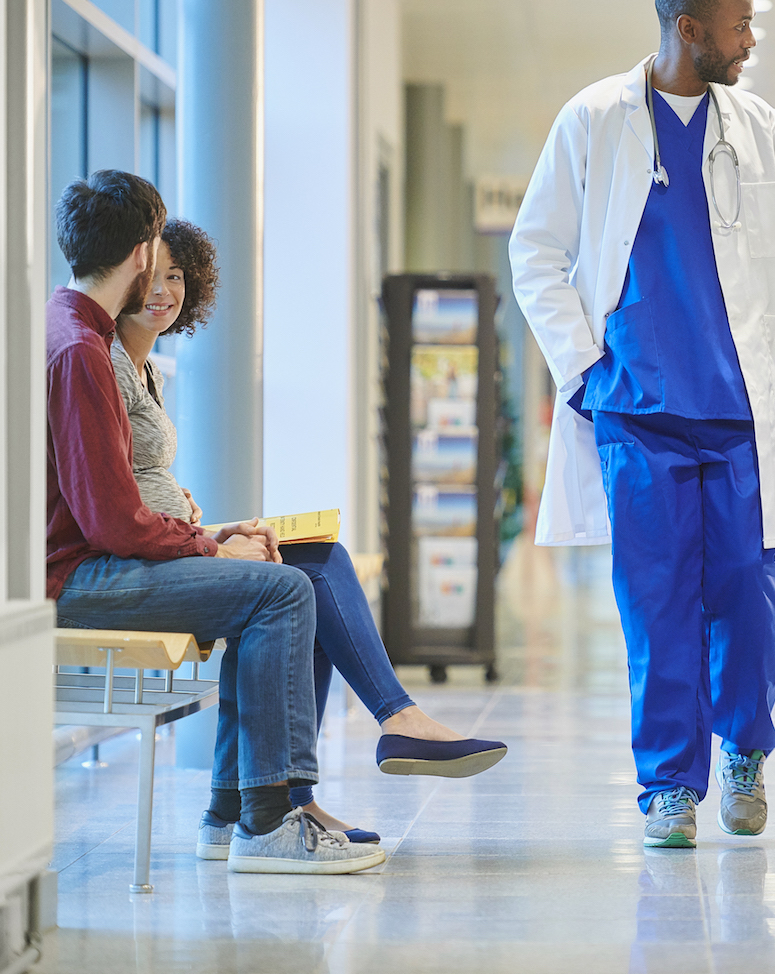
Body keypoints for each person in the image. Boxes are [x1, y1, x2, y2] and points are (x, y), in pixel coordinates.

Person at [509, 0, 775, 848]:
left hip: (735, 414)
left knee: (748, 604)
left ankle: (744, 752)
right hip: (636, 413)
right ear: (688, 28)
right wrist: (585, 372)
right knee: (658, 606)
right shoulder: (596, 118)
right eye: (740, 25)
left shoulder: (755, 126)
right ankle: (666, 788)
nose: (751, 40)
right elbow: (537, 253)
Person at [110, 218, 508, 856]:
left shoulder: (147, 368)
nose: (166, 291)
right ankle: (367, 741)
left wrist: (208, 525)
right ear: (126, 280)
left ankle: (236, 806)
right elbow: (109, 504)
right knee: (299, 582)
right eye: (154, 277)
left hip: (168, 545)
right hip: (137, 565)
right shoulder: (101, 361)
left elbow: (133, 483)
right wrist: (209, 542)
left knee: (316, 559)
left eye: (178, 277)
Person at [47, 170, 383, 875]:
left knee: (293, 568)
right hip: (81, 579)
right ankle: (268, 822)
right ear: (142, 253)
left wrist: (212, 539)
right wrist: (212, 543)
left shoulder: (73, 329)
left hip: (91, 564)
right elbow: (111, 523)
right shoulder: (81, 350)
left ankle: (234, 813)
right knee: (283, 589)